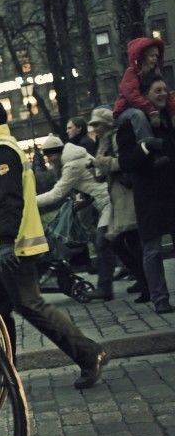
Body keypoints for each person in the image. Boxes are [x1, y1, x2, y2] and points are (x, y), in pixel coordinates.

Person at [0, 98, 107, 390]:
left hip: (10, 250)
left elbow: (10, 200)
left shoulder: (1, 150)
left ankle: (89, 353)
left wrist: (6, 243)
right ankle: (2, 376)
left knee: (30, 305)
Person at [115, 77, 175, 314]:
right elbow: (125, 161)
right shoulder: (131, 124)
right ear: (145, 94)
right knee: (152, 249)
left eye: (165, 89)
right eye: (156, 90)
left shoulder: (169, 118)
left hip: (171, 190)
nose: (162, 94)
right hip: (148, 194)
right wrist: (148, 146)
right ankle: (160, 299)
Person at [36, 142, 114, 300]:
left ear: (58, 153)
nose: (49, 159)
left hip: (108, 202)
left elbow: (56, 194)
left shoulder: (72, 164)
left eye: (50, 155)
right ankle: (141, 279)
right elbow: (90, 182)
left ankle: (105, 288)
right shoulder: (75, 157)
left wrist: (27, 202)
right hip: (105, 201)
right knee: (116, 243)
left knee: (102, 243)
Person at [89, 107, 149, 303]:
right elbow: (101, 172)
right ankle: (143, 280)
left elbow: (124, 162)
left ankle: (146, 284)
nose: (94, 128)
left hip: (127, 195)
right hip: (116, 197)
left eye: (97, 124)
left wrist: (103, 163)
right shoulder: (102, 141)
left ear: (106, 123)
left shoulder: (115, 138)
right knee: (121, 242)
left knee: (130, 241)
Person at [113, 38, 175, 146]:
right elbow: (132, 95)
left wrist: (173, 111)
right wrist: (151, 110)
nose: (155, 59)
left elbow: (167, 95)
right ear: (142, 57)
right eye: (151, 56)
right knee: (138, 115)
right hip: (126, 111)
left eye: (156, 56)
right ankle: (149, 146)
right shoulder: (131, 73)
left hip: (145, 107)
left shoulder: (155, 74)